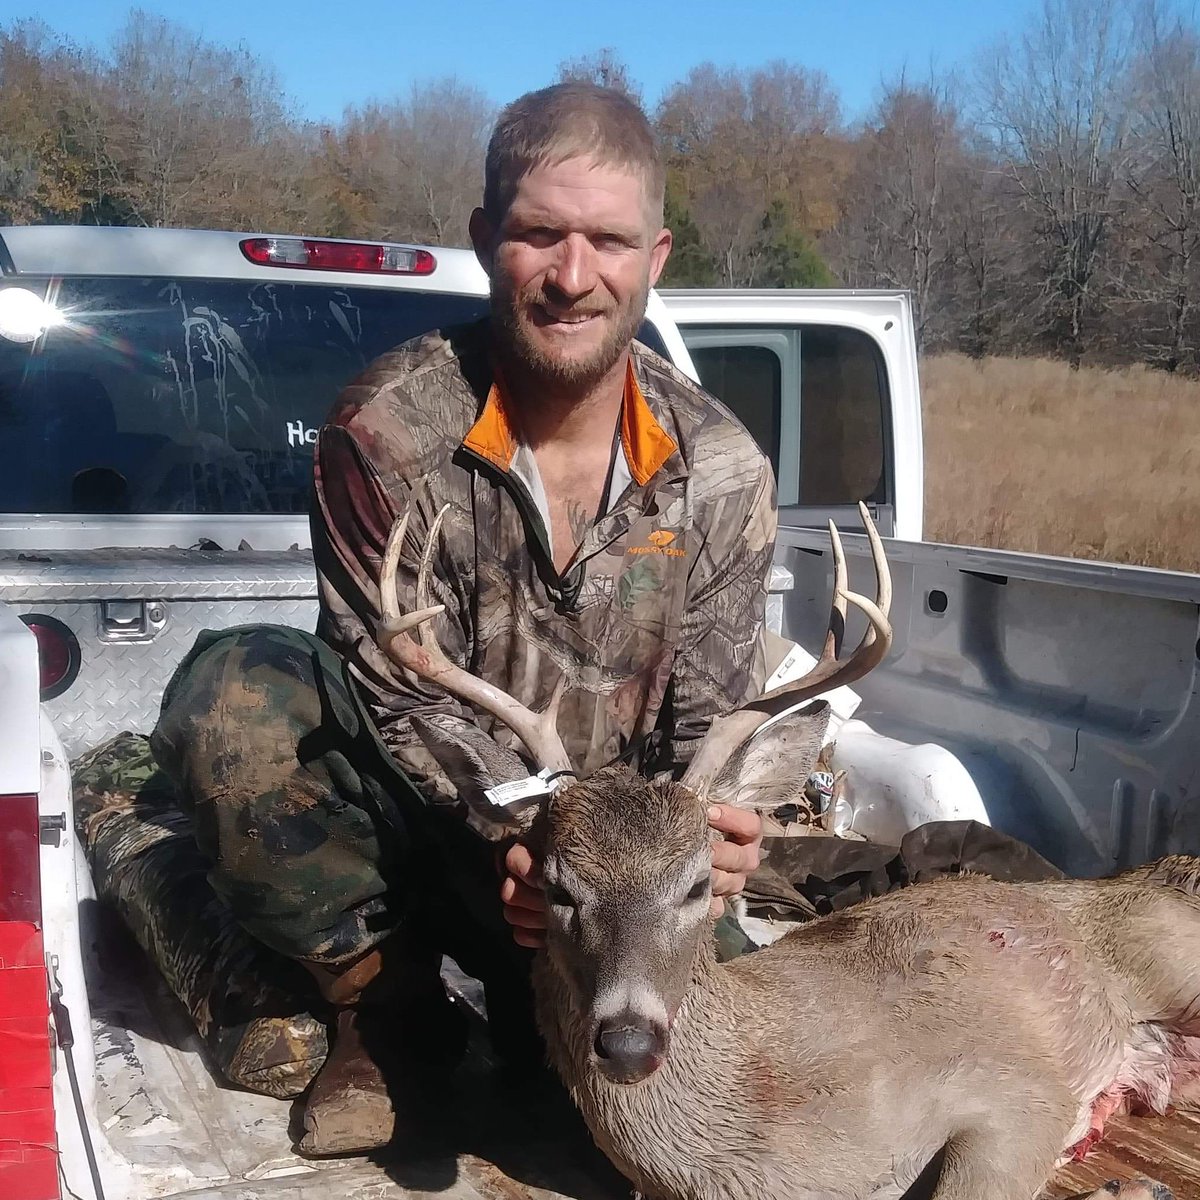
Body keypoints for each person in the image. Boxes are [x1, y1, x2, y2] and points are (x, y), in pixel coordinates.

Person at [147, 80, 776, 1157]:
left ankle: (573, 1028)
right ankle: (379, 1016)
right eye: (541, 235)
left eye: (609, 241)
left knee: (725, 1102)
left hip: (617, 887)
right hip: (437, 845)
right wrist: (522, 847)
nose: (575, 276)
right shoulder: (385, 432)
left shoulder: (720, 467)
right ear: (488, 239)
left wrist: (710, 844)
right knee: (240, 698)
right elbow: (391, 691)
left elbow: (715, 715)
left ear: (656, 256)